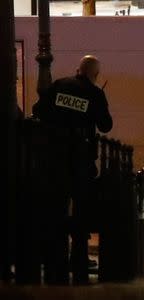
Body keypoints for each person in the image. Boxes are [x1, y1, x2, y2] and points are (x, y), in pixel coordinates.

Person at [33, 55, 113, 284]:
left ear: (78, 69)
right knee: (81, 212)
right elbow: (106, 125)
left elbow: (38, 109)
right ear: (95, 74)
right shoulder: (95, 93)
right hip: (81, 160)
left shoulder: (60, 85)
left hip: (55, 159)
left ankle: (56, 260)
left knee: (56, 209)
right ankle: (79, 260)